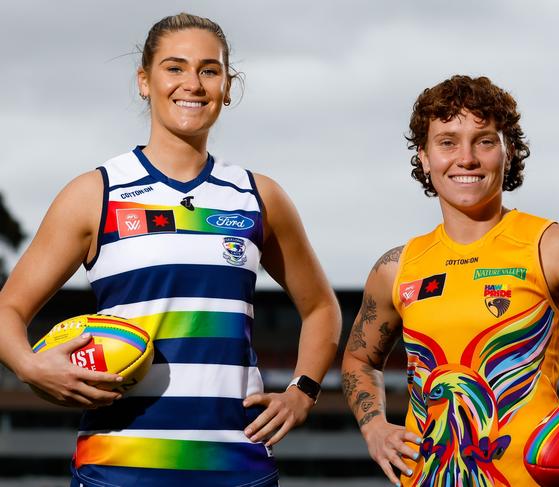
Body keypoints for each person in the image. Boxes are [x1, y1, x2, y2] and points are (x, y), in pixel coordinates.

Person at [0, 13, 341, 487]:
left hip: (236, 469)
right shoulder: (96, 193)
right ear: (144, 81)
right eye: (175, 68)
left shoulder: (258, 196)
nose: (193, 84)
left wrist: (302, 391)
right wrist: (31, 367)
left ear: (227, 85)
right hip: (117, 470)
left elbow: (322, 307)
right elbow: (8, 308)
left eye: (209, 70)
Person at [341, 74, 559, 486]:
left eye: (484, 140)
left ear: (509, 151)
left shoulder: (553, 247)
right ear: (423, 156)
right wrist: (374, 428)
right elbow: (359, 360)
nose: (465, 158)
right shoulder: (396, 267)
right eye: (447, 141)